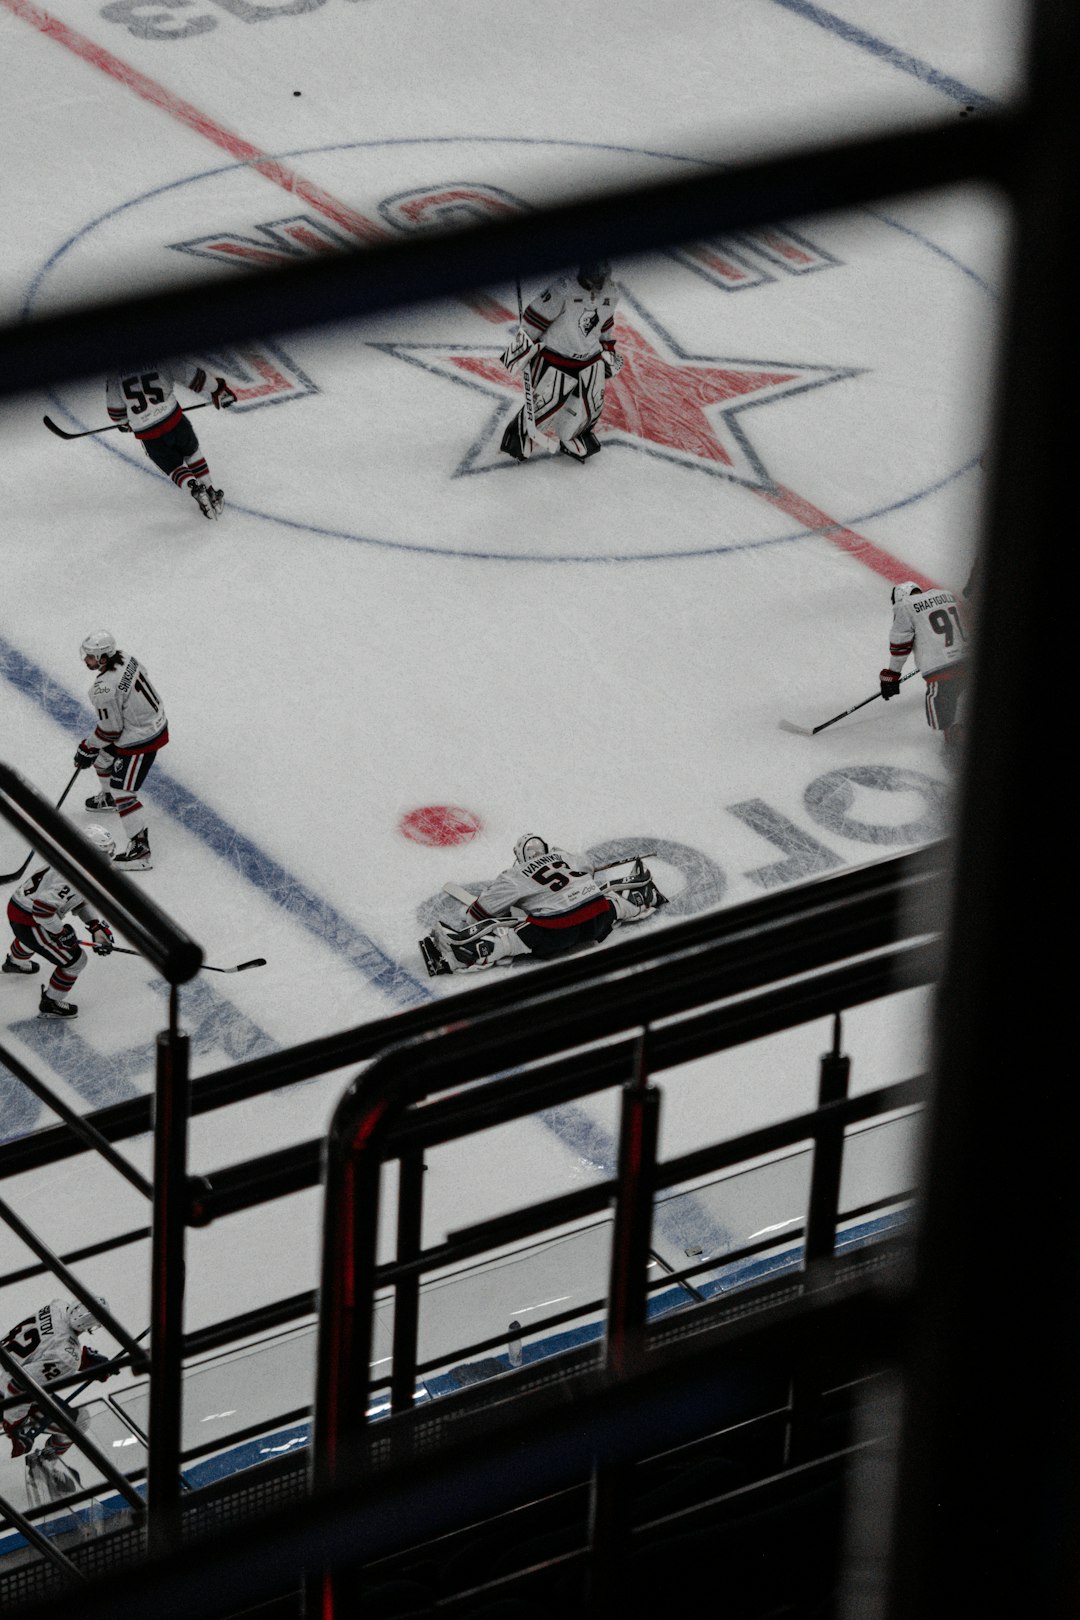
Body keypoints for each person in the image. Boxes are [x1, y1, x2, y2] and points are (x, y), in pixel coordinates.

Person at [419, 836, 665, 976]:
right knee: (605, 901)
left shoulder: (515, 873)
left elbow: (479, 914)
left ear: (520, 856)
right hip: (597, 922)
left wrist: (512, 908)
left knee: (511, 935)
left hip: (557, 933)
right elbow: (587, 867)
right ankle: (639, 895)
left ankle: (463, 951)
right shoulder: (565, 856)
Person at [499, 263, 621, 462]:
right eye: (594, 275)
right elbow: (533, 318)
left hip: (590, 357)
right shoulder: (563, 289)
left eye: (602, 275)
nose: (598, 280)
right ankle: (519, 437)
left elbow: (605, 324)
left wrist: (608, 350)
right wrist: (521, 349)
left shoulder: (611, 293)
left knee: (592, 403)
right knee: (545, 402)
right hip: (555, 356)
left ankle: (574, 435)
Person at [1, 1296, 116, 1508]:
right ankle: (45, 1466)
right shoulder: (67, 1358)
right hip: (6, 1394)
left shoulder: (56, 1306)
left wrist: (88, 1361)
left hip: (5, 1371)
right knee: (79, 1421)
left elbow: (47, 1345)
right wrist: (14, 1429)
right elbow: (20, 1387)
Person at [74, 630, 168, 871]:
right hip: (150, 723)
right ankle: (108, 799)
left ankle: (140, 851)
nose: (87, 660)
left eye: (92, 657)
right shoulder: (126, 657)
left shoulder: (103, 689)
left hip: (141, 738)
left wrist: (87, 746)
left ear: (104, 657)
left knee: (122, 790)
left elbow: (110, 731)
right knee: (102, 757)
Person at [2, 826, 116, 1018]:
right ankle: (51, 1003)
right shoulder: (72, 875)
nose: (109, 857)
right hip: (30, 918)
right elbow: (42, 911)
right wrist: (60, 934)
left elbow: (77, 900)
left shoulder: (74, 861)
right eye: (104, 852)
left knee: (34, 940)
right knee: (76, 961)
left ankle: (15, 962)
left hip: (19, 908)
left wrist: (94, 925)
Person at [106, 361, 235, 518]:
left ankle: (194, 488)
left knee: (173, 467)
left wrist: (124, 423)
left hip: (149, 433)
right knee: (192, 452)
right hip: (174, 419)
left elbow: (115, 411)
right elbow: (192, 375)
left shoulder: (115, 373)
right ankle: (209, 489)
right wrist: (217, 388)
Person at [879, 581, 969, 753]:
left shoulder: (904, 606)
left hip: (942, 672)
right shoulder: (946, 594)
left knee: (940, 721)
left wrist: (892, 676)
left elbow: (901, 646)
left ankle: (956, 734)